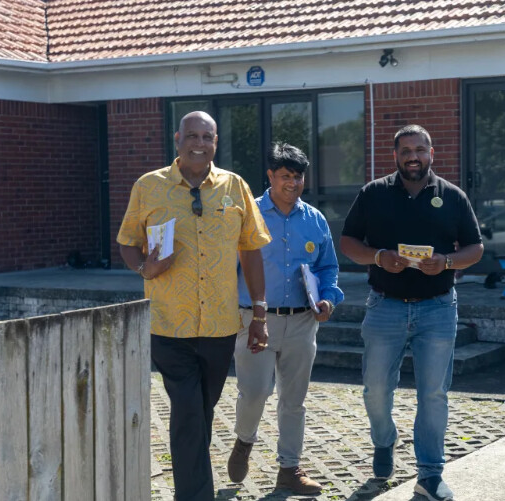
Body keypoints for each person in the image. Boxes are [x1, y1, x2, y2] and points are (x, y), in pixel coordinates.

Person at [117, 111, 272, 501]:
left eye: (207, 136)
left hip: (220, 326)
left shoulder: (234, 187)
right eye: (191, 135)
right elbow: (126, 240)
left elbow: (251, 249)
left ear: (215, 142)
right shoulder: (148, 186)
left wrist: (259, 312)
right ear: (177, 138)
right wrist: (143, 267)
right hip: (168, 325)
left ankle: (192, 484)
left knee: (201, 412)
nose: (198, 143)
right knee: (187, 411)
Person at [340, 125, 483, 501]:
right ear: (395, 156)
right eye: (406, 150)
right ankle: (385, 440)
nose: (413, 156)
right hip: (384, 305)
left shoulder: (452, 196)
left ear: (431, 153)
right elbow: (348, 241)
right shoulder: (373, 193)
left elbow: (476, 247)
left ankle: (430, 474)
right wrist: (378, 257)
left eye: (420, 149)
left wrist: (448, 261)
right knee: (375, 389)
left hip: (437, 308)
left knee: (433, 393)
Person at [228, 142, 344, 494]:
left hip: (301, 321)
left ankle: (289, 469)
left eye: (297, 177)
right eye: (284, 176)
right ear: (270, 176)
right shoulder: (248, 214)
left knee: (294, 399)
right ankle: (244, 441)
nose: (292, 183)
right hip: (254, 320)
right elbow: (228, 269)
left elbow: (328, 268)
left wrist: (327, 299)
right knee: (255, 392)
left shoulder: (315, 219)